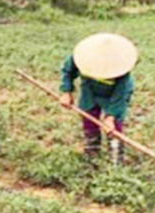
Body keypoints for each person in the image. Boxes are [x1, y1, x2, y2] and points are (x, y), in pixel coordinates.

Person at [59, 33, 137, 165]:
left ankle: (115, 159)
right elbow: (67, 71)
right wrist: (66, 92)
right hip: (89, 92)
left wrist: (111, 117)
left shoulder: (122, 73)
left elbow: (121, 96)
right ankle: (92, 154)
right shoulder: (81, 57)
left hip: (112, 97)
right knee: (89, 121)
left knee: (114, 128)